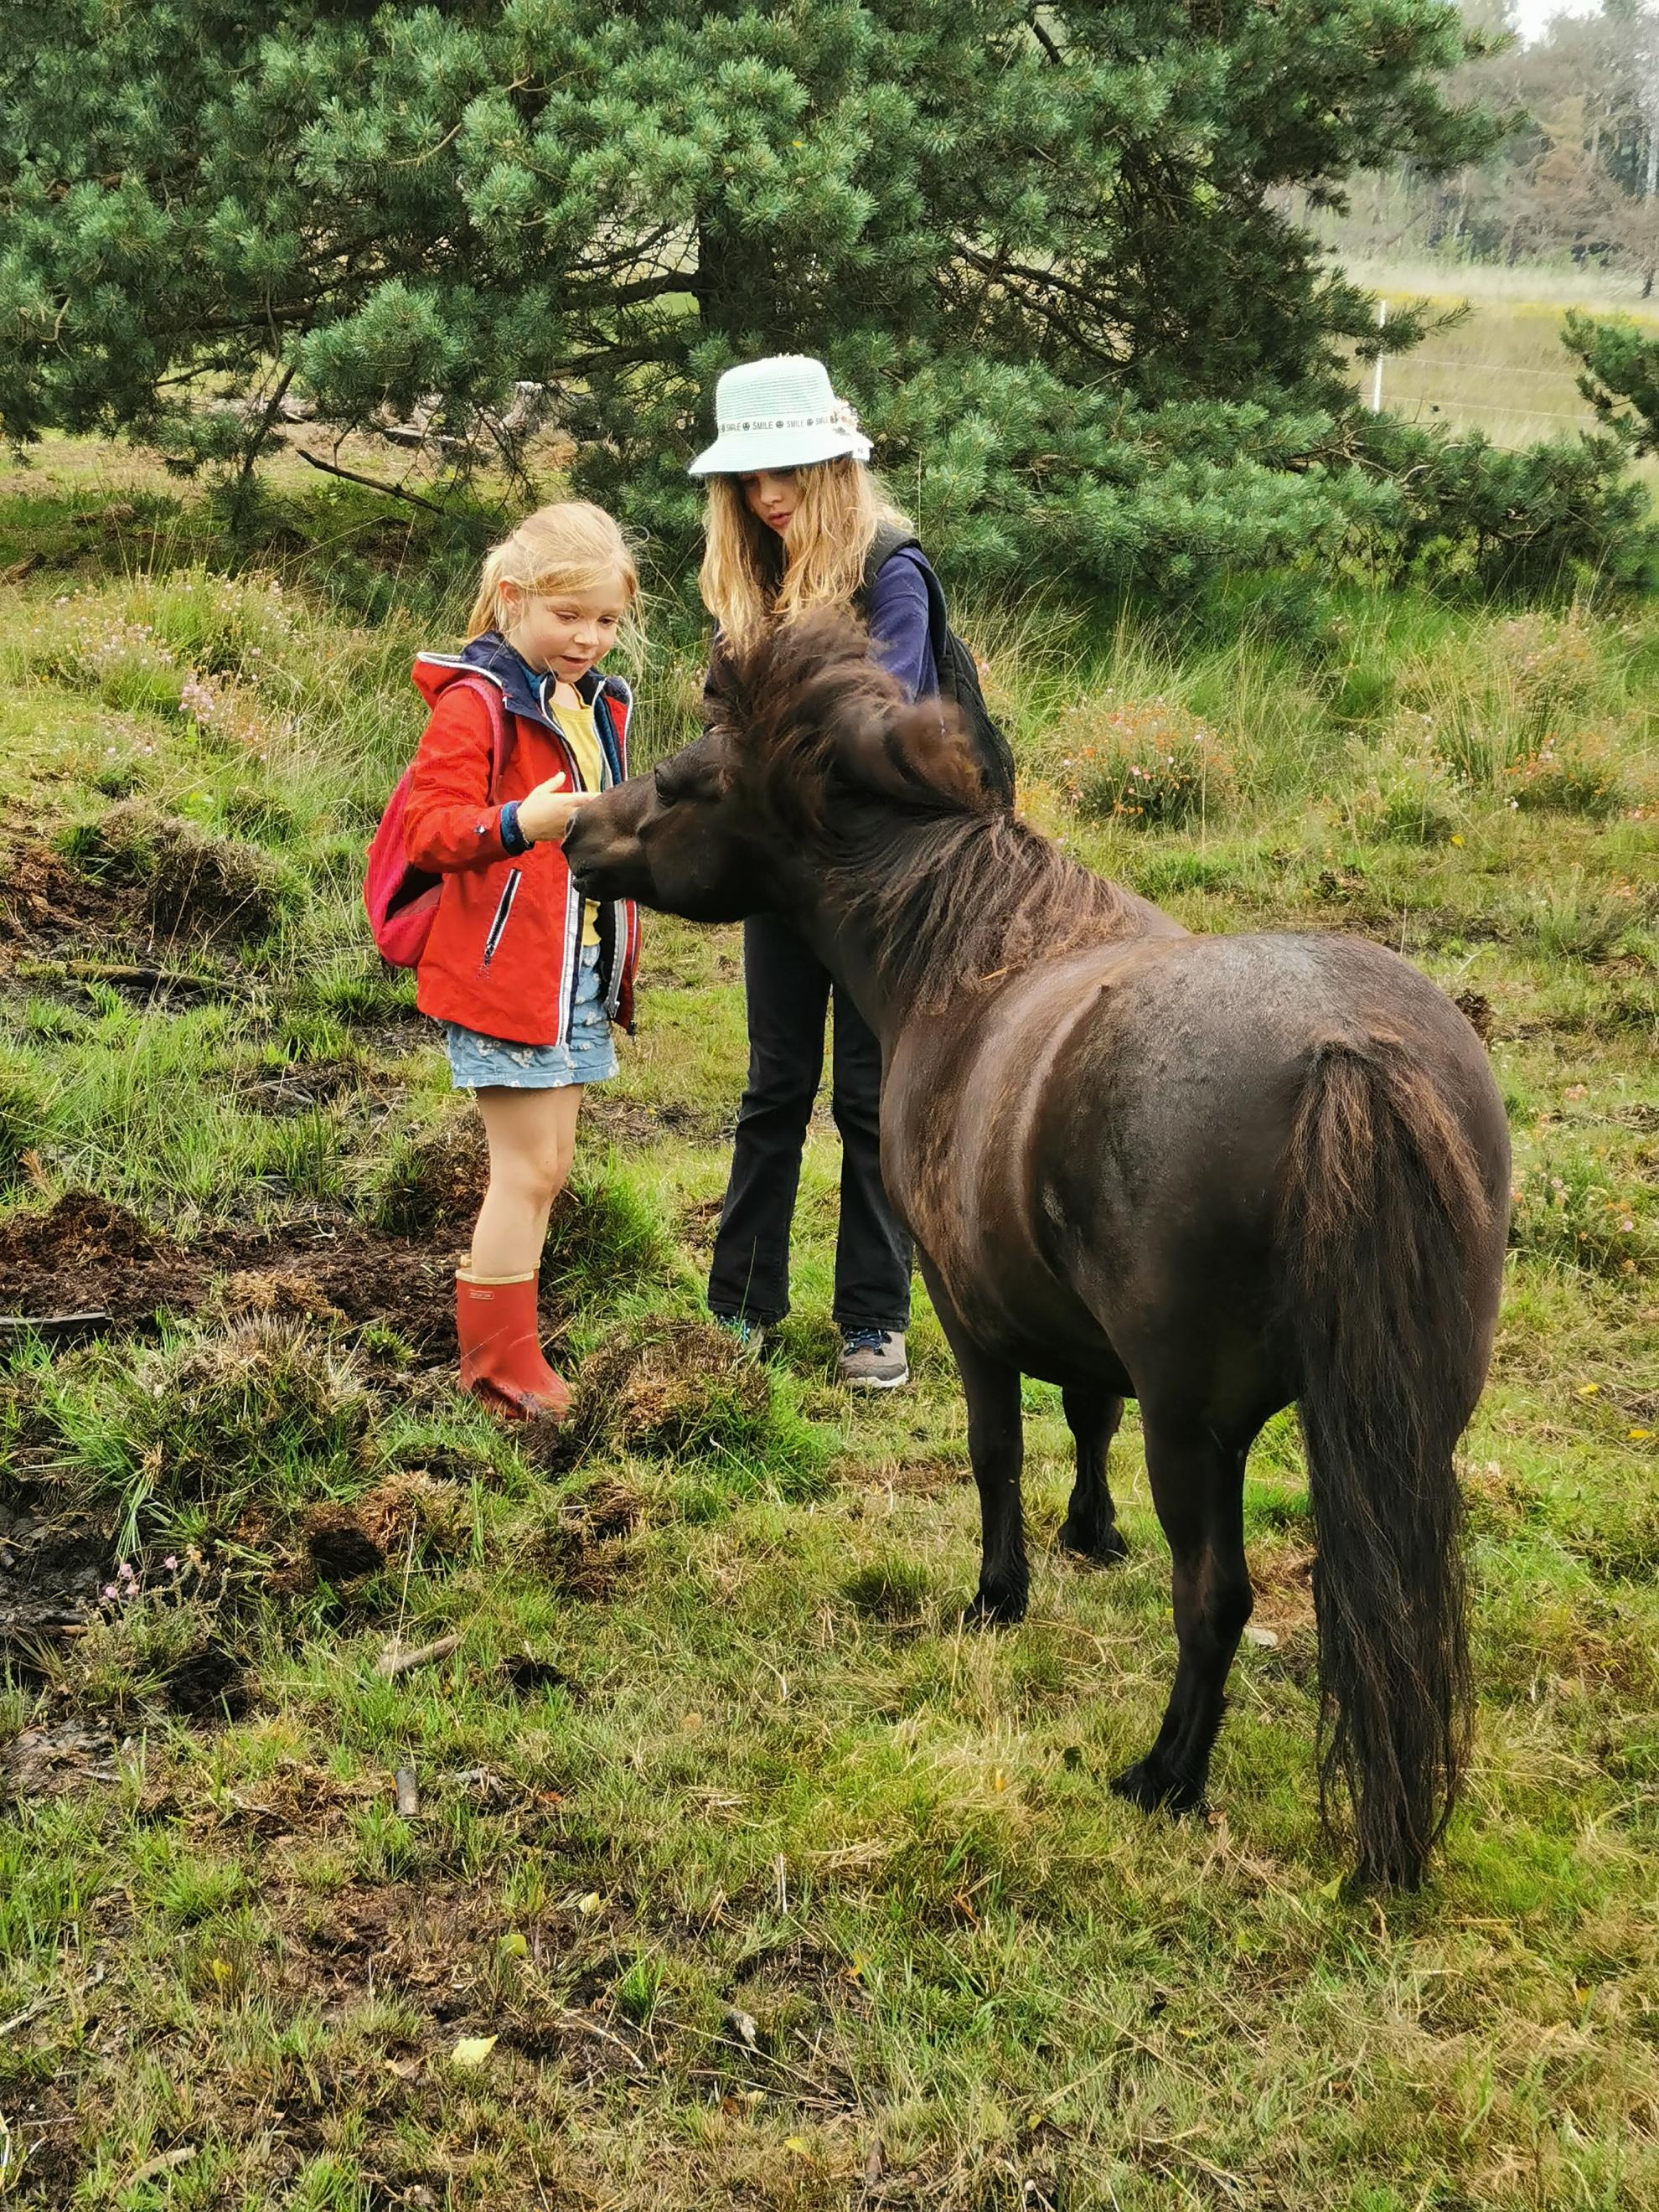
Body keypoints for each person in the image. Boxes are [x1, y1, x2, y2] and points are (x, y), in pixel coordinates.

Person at [689, 353, 956, 1391]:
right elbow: (725, 715)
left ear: (833, 465)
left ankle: (873, 1322)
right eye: (749, 481)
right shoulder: (749, 576)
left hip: (883, 879)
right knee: (773, 1087)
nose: (766, 495)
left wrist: (774, 737)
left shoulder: (893, 569)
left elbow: (875, 728)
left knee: (870, 1094)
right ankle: (739, 1313)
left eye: (788, 470)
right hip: (784, 873)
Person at [403, 501, 642, 1419]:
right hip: (502, 973)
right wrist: (517, 825)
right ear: (514, 598)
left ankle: (517, 1342)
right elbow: (432, 829)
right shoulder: (477, 702)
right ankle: (496, 1368)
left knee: (552, 1164)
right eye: (568, 615)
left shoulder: (589, 701)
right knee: (524, 1169)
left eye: (606, 619)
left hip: (570, 973)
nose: (588, 637)